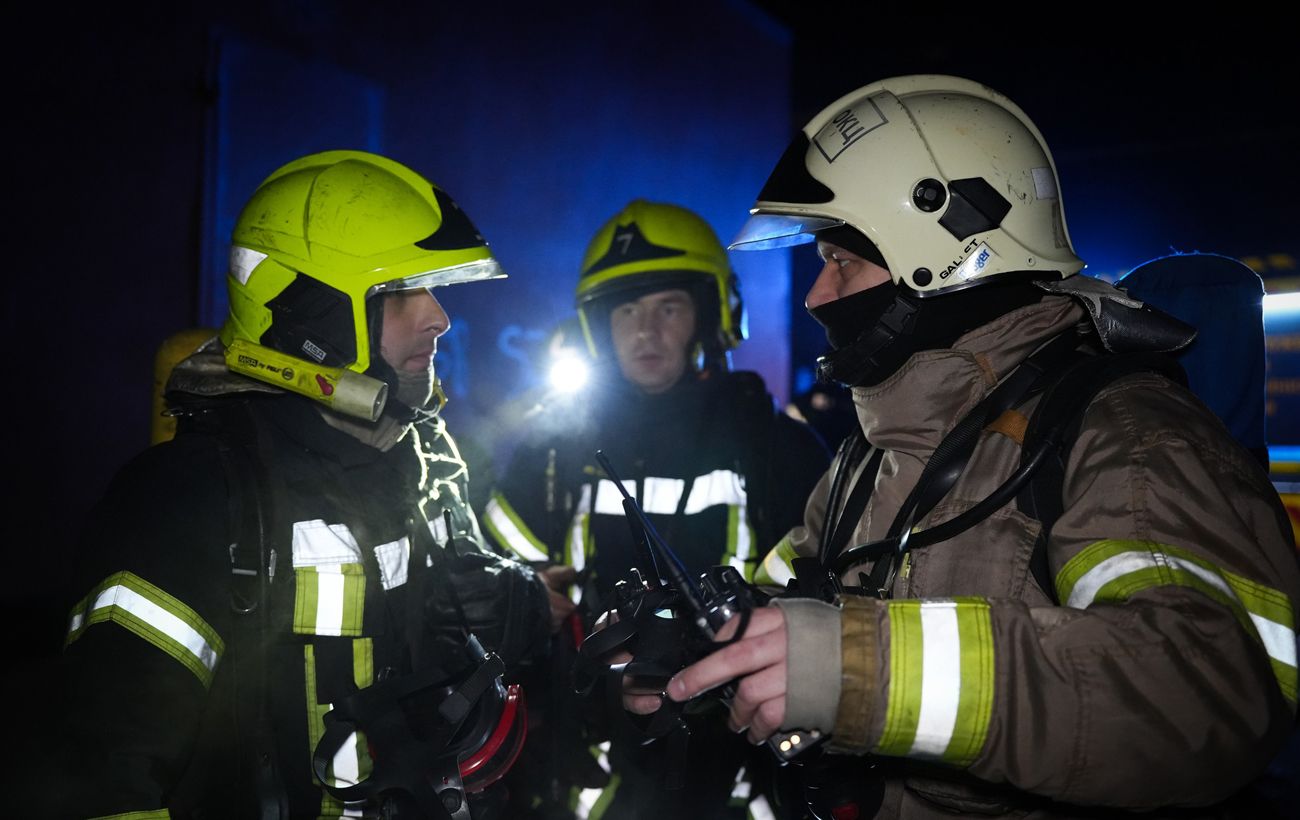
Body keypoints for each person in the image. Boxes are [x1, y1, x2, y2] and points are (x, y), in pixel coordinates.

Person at [632, 75, 1300, 819]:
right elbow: (790, 599)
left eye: (842, 262)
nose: (818, 296)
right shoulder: (872, 453)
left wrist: (858, 673)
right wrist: (699, 650)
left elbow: (1205, 695)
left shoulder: (1125, 434)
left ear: (942, 253)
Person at [44, 150, 550, 819]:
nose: (438, 318)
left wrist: (514, 607)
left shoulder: (421, 457)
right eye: (401, 292)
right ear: (314, 315)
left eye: (434, 291)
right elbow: (105, 777)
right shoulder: (187, 499)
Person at [481, 199, 830, 818]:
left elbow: (825, 603)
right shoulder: (554, 449)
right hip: (593, 754)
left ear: (711, 313)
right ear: (598, 325)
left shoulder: (778, 448)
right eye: (626, 311)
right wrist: (523, 592)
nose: (645, 331)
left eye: (668, 307)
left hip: (738, 759)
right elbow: (493, 576)